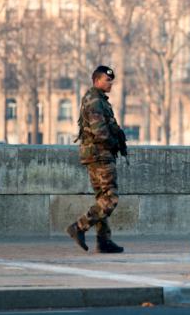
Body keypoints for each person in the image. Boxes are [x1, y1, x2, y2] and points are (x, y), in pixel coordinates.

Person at [65, 66, 124, 254]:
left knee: (102, 197)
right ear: (97, 81)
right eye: (108, 80)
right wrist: (115, 142)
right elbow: (100, 130)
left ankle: (104, 240)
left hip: (95, 154)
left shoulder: (98, 99)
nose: (111, 83)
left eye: (111, 80)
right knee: (111, 197)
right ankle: (79, 226)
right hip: (99, 154)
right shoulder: (94, 100)